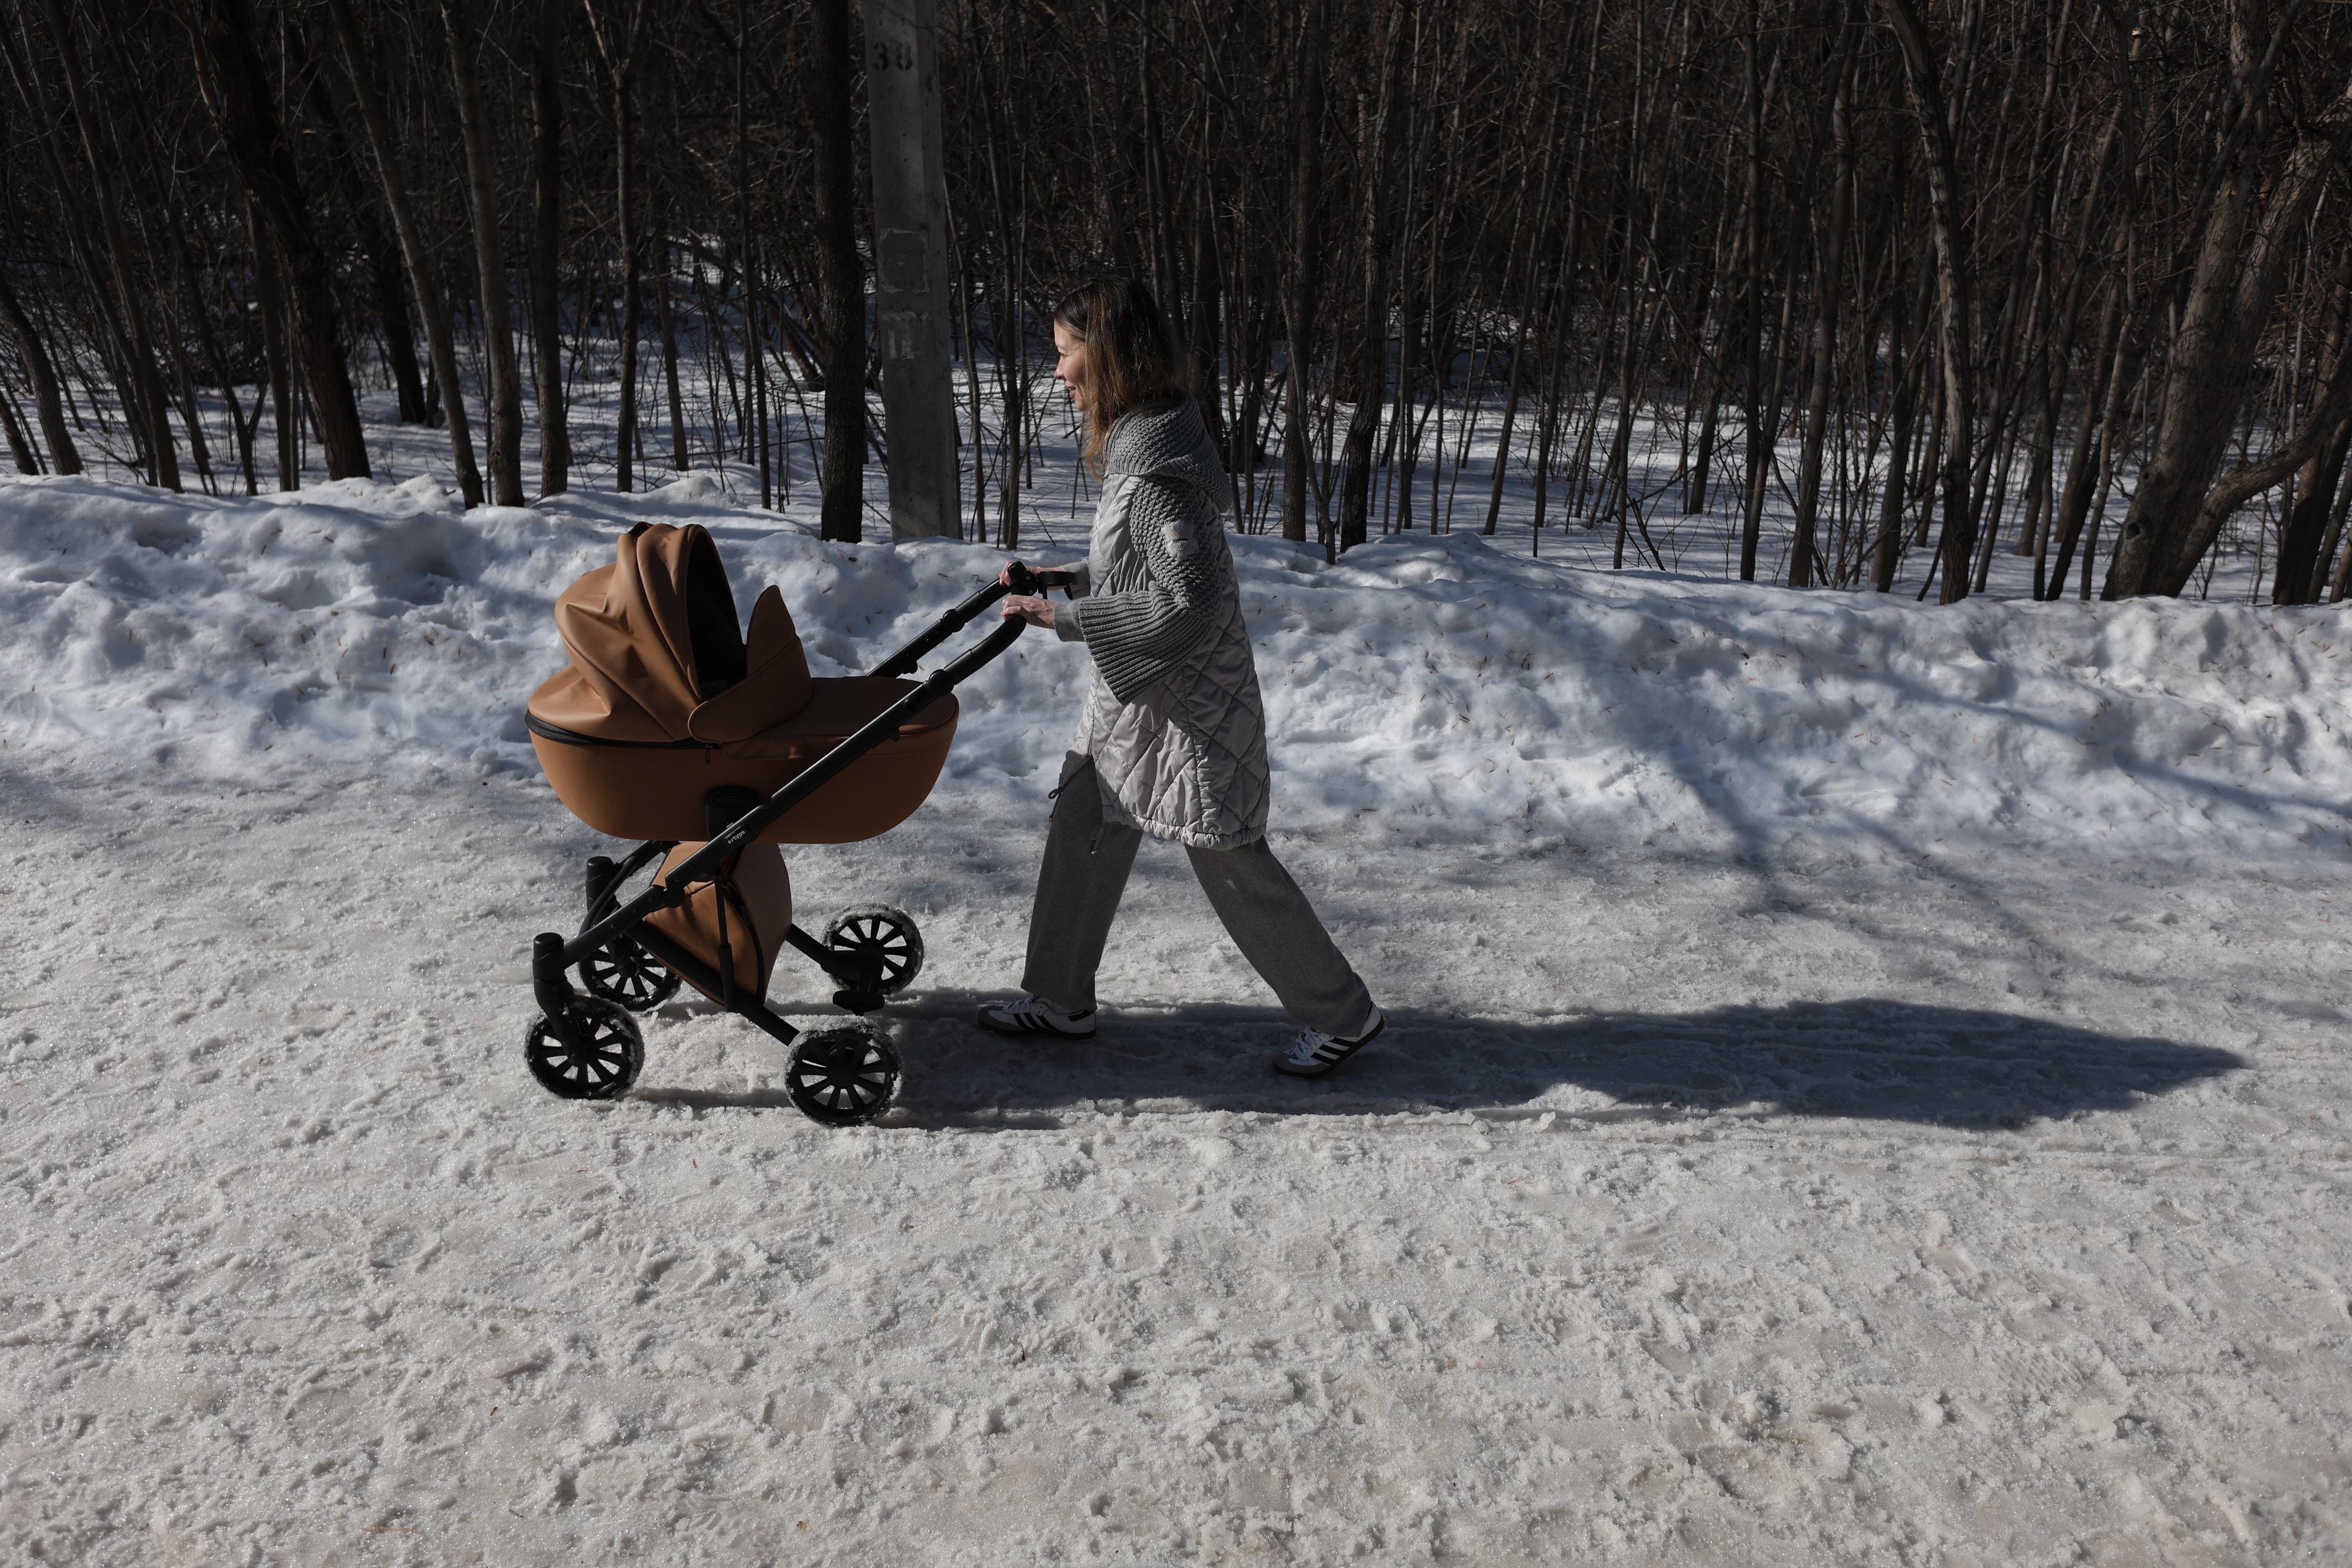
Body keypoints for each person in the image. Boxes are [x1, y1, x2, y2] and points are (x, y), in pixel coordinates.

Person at [977, 277, 1383, 1077]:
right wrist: (1067, 577)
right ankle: (1060, 997)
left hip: (1190, 705)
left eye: (1066, 353)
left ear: (1108, 356)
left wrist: (1064, 618)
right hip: (1140, 696)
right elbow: (1145, 568)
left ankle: (1343, 1014)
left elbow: (1189, 599)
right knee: (1084, 821)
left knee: (1228, 855)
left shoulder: (1159, 471)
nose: (1057, 372)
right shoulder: (1144, 439)